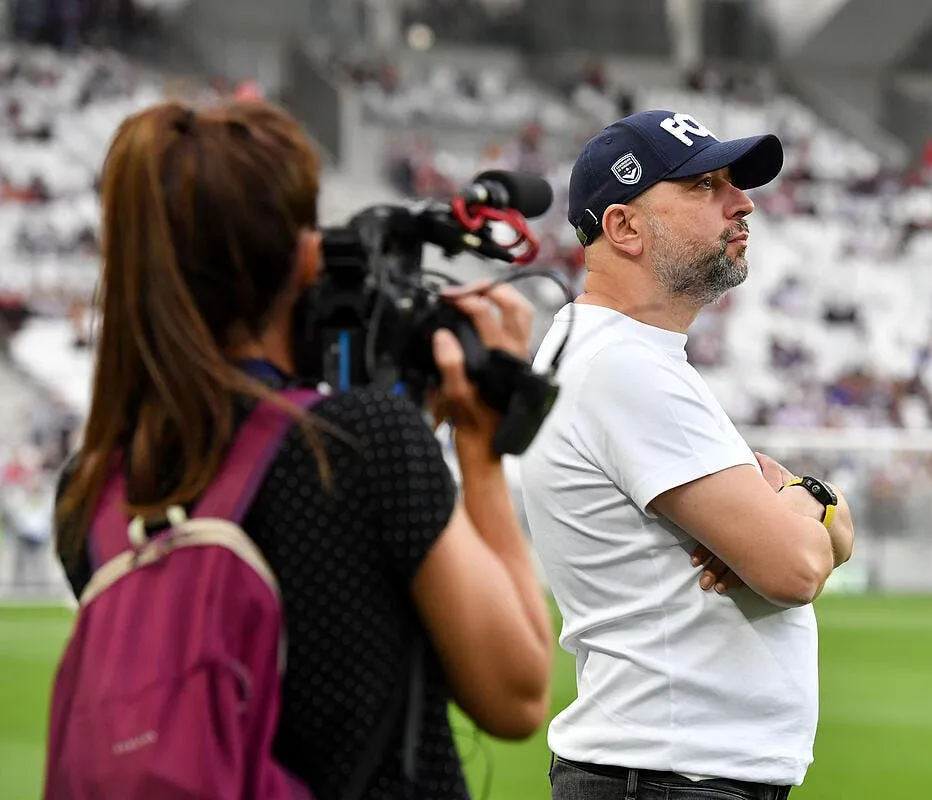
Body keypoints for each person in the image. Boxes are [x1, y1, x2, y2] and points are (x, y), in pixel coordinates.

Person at [52, 99, 553, 799]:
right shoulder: (362, 443)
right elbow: (518, 694)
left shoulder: (91, 489)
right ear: (307, 259)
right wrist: (478, 445)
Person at [520, 110, 857, 799]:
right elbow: (796, 568)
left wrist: (801, 499)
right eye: (705, 185)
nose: (743, 203)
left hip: (665, 773)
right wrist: (799, 510)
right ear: (623, 228)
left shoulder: (612, 354)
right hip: (669, 778)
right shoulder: (623, 366)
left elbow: (822, 535)